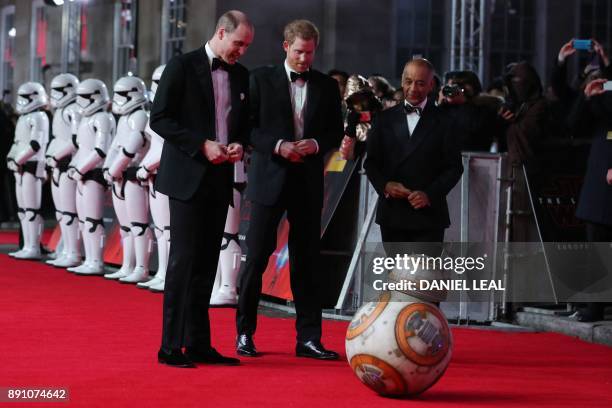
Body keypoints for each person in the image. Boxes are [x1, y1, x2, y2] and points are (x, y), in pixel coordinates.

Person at [150, 10, 253, 368]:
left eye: (246, 46)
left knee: (207, 264)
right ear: (221, 33)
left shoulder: (241, 75)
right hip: (186, 177)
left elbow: (244, 124)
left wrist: (240, 144)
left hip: (220, 177)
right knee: (182, 262)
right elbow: (159, 118)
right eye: (239, 43)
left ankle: (198, 344)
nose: (242, 51)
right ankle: (169, 346)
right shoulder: (182, 66)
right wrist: (201, 144)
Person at [236, 19, 343, 360]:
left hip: (308, 183)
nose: (304, 60)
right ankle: (244, 334)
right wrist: (279, 145)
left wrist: (314, 143)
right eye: (298, 52)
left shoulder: (326, 86)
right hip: (269, 178)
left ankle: (309, 338)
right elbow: (247, 129)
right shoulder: (260, 79)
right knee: (255, 259)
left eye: (310, 53)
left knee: (307, 262)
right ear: (285, 46)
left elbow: (334, 131)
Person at [364, 58, 463, 255]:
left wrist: (429, 194)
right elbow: (371, 163)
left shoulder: (445, 121)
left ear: (431, 85)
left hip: (429, 216)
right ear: (402, 81)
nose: (413, 88)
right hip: (393, 214)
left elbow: (454, 167)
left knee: (422, 282)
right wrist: (385, 185)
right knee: (397, 280)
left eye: (420, 82)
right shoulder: (384, 119)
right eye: (409, 81)